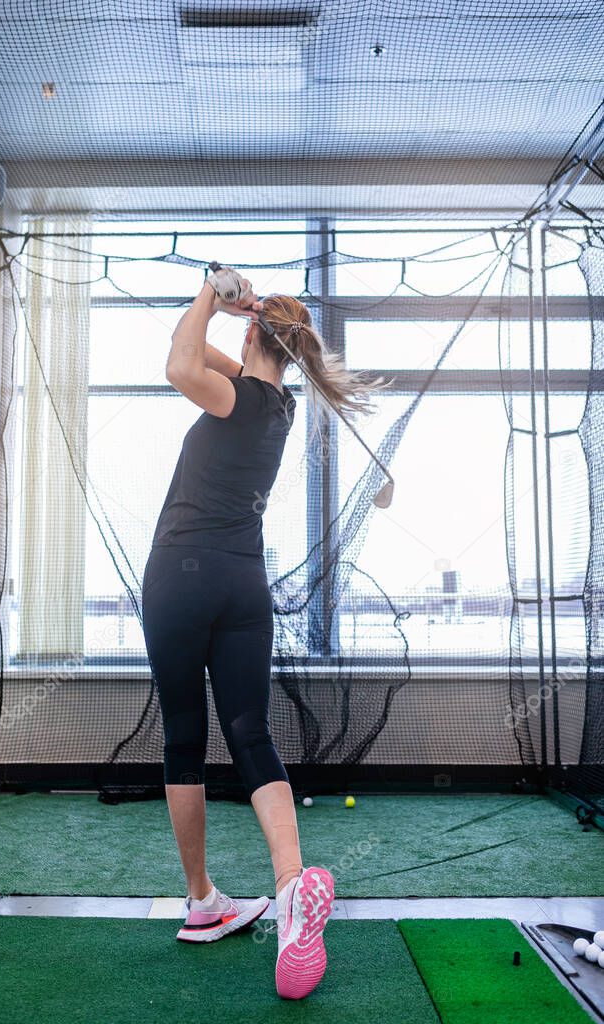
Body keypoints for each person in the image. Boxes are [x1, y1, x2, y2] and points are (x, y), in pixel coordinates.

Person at [142, 265, 375, 999]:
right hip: (244, 584)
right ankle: (288, 882)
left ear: (252, 334)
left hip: (180, 577)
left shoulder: (233, 397)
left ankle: (202, 899)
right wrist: (233, 310)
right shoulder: (275, 406)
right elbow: (207, 359)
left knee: (185, 735)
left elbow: (179, 360)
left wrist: (212, 295)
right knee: (251, 733)